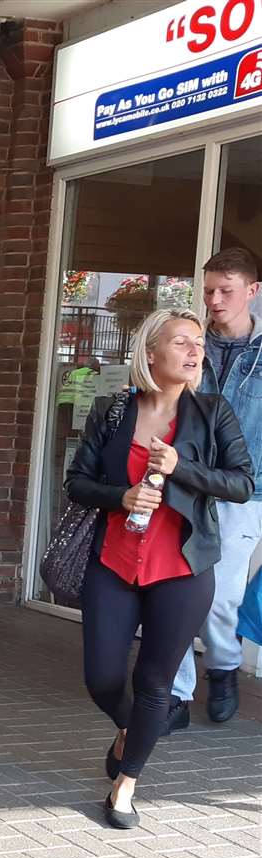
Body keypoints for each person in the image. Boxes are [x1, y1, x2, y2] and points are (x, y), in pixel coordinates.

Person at [66, 307, 252, 829]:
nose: (195, 351)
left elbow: (240, 481)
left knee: (155, 683)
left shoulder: (213, 413)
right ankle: (132, 732)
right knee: (103, 677)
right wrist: (121, 496)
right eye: (181, 342)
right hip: (115, 562)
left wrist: (180, 469)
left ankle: (126, 785)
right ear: (150, 353)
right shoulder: (112, 409)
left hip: (182, 569)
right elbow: (76, 483)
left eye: (199, 343)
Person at [171, 248, 262, 727]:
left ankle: (223, 666)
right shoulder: (190, 344)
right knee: (176, 588)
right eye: (208, 290)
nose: (215, 299)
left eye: (226, 290)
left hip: (245, 490)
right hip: (182, 481)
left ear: (253, 290)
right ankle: (177, 694)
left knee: (221, 596)